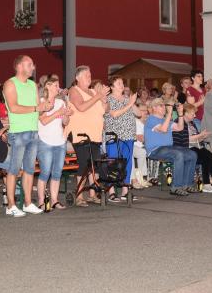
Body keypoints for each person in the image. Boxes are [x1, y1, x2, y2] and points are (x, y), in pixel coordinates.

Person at [3, 55, 48, 216]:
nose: (33, 67)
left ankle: (28, 203)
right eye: (29, 64)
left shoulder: (32, 85)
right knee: (14, 170)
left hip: (33, 131)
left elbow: (38, 108)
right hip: (18, 132)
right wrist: (37, 108)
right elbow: (13, 107)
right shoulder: (10, 84)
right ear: (19, 66)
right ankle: (11, 206)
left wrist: (45, 106)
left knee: (29, 169)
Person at [64, 65, 108, 206]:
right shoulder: (74, 90)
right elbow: (81, 107)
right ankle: (79, 196)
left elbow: (105, 110)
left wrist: (103, 99)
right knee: (84, 164)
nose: (89, 78)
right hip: (80, 134)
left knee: (94, 164)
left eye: (90, 75)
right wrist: (98, 96)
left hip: (95, 134)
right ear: (78, 77)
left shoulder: (93, 91)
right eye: (86, 76)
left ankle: (92, 194)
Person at [144, 98, 197, 196]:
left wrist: (180, 114)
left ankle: (187, 184)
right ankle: (176, 187)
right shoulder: (151, 119)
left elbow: (180, 128)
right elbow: (163, 129)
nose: (164, 107)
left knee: (192, 154)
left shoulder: (166, 120)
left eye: (164, 105)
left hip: (168, 148)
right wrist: (169, 114)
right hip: (155, 150)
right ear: (154, 108)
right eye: (161, 105)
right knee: (178, 154)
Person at [36, 75, 71, 210]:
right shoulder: (41, 102)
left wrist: (66, 114)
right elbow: (44, 121)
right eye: (56, 85)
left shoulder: (60, 102)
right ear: (48, 86)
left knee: (57, 172)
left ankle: (55, 200)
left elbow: (65, 122)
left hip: (60, 141)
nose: (58, 88)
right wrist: (58, 113)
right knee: (45, 172)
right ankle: (41, 201)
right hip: (45, 141)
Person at [103, 76, 138, 202]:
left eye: (122, 83)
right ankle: (111, 191)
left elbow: (139, 113)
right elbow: (114, 114)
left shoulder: (127, 99)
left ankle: (125, 190)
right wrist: (130, 104)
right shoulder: (108, 99)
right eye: (118, 83)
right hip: (114, 135)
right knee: (113, 162)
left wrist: (132, 102)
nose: (122, 85)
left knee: (127, 162)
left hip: (128, 135)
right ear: (112, 86)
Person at [183, 102, 212, 192]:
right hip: (187, 147)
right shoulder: (181, 123)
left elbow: (195, 139)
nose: (195, 116)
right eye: (192, 114)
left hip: (195, 146)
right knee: (206, 158)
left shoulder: (191, 124)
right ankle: (206, 184)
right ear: (186, 113)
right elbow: (187, 139)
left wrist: (202, 136)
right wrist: (200, 135)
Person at [132, 102, 150, 188]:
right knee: (142, 152)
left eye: (146, 110)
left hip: (142, 146)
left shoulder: (147, 122)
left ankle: (142, 178)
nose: (145, 112)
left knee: (143, 152)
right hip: (133, 146)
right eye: (142, 110)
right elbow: (140, 138)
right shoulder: (136, 122)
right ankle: (137, 179)